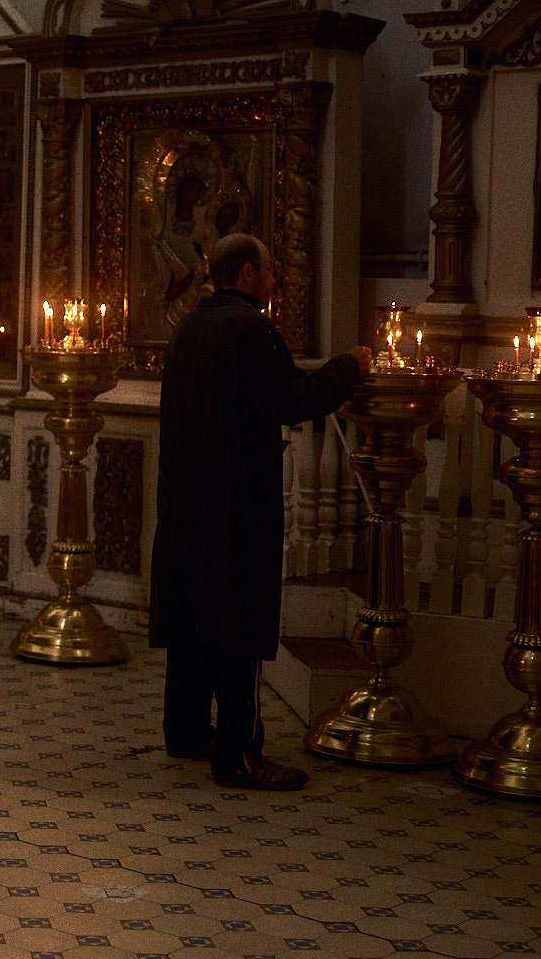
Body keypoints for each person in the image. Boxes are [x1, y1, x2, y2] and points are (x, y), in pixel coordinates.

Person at [149, 233, 371, 790]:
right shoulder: (250, 330)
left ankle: (186, 732)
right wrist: (349, 367)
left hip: (183, 503)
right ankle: (239, 755)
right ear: (248, 274)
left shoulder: (188, 328)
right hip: (235, 508)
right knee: (237, 630)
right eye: (270, 272)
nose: (274, 282)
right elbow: (291, 399)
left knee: (193, 622)